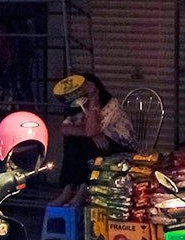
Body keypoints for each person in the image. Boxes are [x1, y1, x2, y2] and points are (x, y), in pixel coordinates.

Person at [51, 74, 136, 206]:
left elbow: (91, 130)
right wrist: (92, 134)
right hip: (98, 147)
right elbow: (64, 129)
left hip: (121, 146)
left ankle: (83, 189)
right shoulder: (78, 107)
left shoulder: (111, 104)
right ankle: (69, 188)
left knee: (87, 142)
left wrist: (93, 99)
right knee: (73, 140)